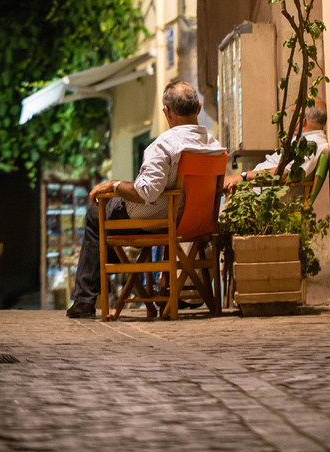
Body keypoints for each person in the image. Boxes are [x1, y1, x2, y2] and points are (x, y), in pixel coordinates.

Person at [66, 79, 223, 319]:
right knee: (105, 227)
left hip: (159, 220)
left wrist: (115, 185)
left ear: (167, 112)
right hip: (195, 224)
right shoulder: (214, 147)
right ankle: (109, 267)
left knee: (95, 215)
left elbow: (146, 193)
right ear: (199, 108)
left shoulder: (164, 145)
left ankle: (85, 299)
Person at [222, 104, 328, 194]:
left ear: (302, 121)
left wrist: (244, 176)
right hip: (253, 188)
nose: (291, 119)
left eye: (293, 115)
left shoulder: (313, 145)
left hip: (262, 195)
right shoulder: (304, 139)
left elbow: (285, 175)